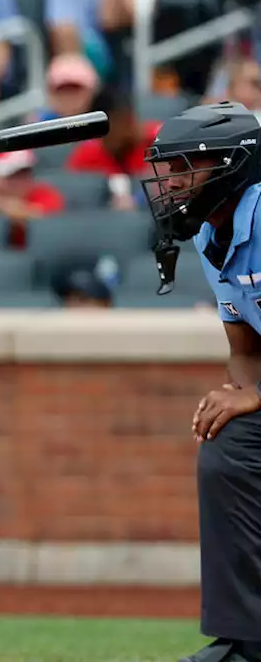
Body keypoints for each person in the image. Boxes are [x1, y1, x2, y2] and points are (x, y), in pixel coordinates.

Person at [140, 101, 261, 662]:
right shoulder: (216, 235)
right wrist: (244, 392)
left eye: (187, 167)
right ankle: (247, 641)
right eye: (170, 169)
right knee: (229, 446)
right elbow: (246, 349)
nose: (172, 183)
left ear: (234, 166)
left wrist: (256, 395)